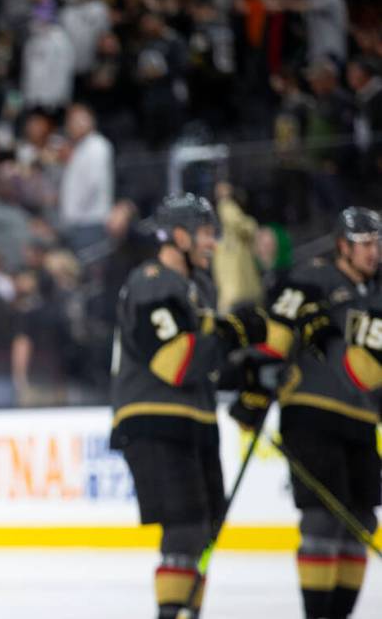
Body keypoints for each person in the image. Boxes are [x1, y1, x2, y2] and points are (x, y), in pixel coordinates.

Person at [109, 193, 267, 619]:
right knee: (185, 528)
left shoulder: (195, 289)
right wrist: (234, 334)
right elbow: (176, 362)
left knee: (203, 529)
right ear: (178, 236)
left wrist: (247, 370)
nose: (212, 242)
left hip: (194, 420)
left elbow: (206, 360)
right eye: (204, 233)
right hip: (154, 420)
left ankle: (185, 612)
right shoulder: (152, 281)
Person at [231, 207, 381, 619]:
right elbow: (276, 333)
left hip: (363, 420)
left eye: (376, 243)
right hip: (311, 414)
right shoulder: (312, 278)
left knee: (361, 522)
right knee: (322, 521)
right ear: (342, 246)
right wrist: (255, 389)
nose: (373, 252)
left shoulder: (377, 295)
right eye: (364, 244)